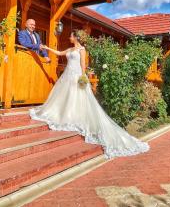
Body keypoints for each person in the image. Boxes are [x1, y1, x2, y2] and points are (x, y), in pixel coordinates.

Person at [29, 30, 149, 159]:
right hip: (67, 76)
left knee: (78, 98)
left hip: (77, 76)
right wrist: (47, 48)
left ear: (76, 37)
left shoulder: (82, 49)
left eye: (71, 35)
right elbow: (59, 53)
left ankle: (76, 118)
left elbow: (83, 65)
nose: (69, 37)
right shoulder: (70, 49)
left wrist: (83, 77)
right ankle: (68, 116)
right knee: (66, 98)